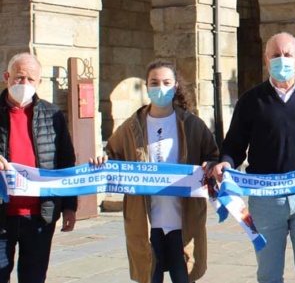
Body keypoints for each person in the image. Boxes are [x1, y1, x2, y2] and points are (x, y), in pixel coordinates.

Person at [207, 32, 295, 283]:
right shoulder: (251, 100)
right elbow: (234, 143)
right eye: (276, 55)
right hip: (265, 199)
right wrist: (226, 161)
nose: (282, 60)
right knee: (269, 275)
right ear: (266, 58)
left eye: (288, 55)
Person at [92, 61, 219, 283]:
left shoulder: (192, 125)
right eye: (155, 82)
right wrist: (104, 159)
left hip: (183, 220)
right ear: (147, 86)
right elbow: (113, 154)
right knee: (150, 276)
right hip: (146, 221)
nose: (160, 88)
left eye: (166, 83)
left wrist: (210, 166)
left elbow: (213, 156)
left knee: (184, 276)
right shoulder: (132, 126)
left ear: (175, 86)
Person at [0, 53, 78, 283]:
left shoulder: (52, 114)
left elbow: (66, 160)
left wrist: (70, 207)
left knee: (34, 278)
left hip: (40, 216)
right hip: (2, 216)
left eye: (30, 80)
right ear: (7, 77)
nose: (24, 84)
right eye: (19, 77)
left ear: (39, 83)